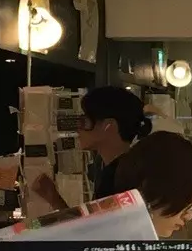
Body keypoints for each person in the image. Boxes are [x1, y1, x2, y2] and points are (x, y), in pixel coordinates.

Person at [28, 85, 150, 213]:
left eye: (84, 121)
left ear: (109, 126)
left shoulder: (119, 176)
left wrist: (54, 198)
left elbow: (95, 231)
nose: (78, 128)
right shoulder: (122, 168)